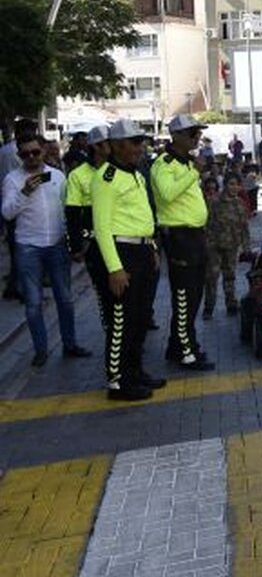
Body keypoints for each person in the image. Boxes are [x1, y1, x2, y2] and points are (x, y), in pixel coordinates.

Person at [2, 133, 90, 368]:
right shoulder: (12, 179)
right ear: (19, 156)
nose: (30, 158)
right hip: (28, 247)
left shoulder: (58, 176)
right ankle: (41, 350)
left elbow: (67, 211)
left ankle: (70, 344)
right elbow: (7, 213)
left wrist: (75, 245)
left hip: (57, 245)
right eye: (25, 154)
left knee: (65, 299)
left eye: (35, 152)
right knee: (33, 303)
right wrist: (24, 192)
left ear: (43, 151)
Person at [91, 119, 164, 401]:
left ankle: (134, 371)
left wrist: (152, 247)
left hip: (142, 250)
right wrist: (115, 268)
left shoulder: (135, 173)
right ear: (116, 145)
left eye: (141, 142)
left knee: (141, 316)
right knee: (121, 321)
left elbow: (141, 216)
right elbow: (102, 227)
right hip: (121, 253)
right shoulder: (106, 177)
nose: (139, 147)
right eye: (134, 142)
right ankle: (117, 382)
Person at [151, 114, 215, 372]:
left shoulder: (186, 163)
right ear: (176, 136)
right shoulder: (163, 164)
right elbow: (167, 195)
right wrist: (195, 173)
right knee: (184, 297)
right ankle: (186, 351)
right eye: (191, 133)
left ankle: (178, 345)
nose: (196, 137)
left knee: (195, 294)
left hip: (195, 235)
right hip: (179, 237)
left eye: (197, 132)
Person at [0, 118, 38, 300]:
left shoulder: (4, 150)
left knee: (15, 248)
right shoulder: (25, 152)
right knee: (23, 249)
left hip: (7, 199)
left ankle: (14, 285)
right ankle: (23, 289)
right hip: (24, 201)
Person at [204, 173, 250, 320]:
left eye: (237, 184)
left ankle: (231, 303)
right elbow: (205, 222)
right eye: (231, 184)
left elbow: (244, 226)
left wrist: (246, 246)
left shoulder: (240, 204)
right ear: (225, 185)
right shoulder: (214, 201)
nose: (234, 187)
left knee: (230, 276)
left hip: (232, 246)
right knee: (212, 277)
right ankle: (208, 307)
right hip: (214, 246)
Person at [65, 125, 110, 267]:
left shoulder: (118, 170)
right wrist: (76, 247)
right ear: (96, 147)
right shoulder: (77, 175)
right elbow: (73, 213)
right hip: (93, 241)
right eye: (109, 143)